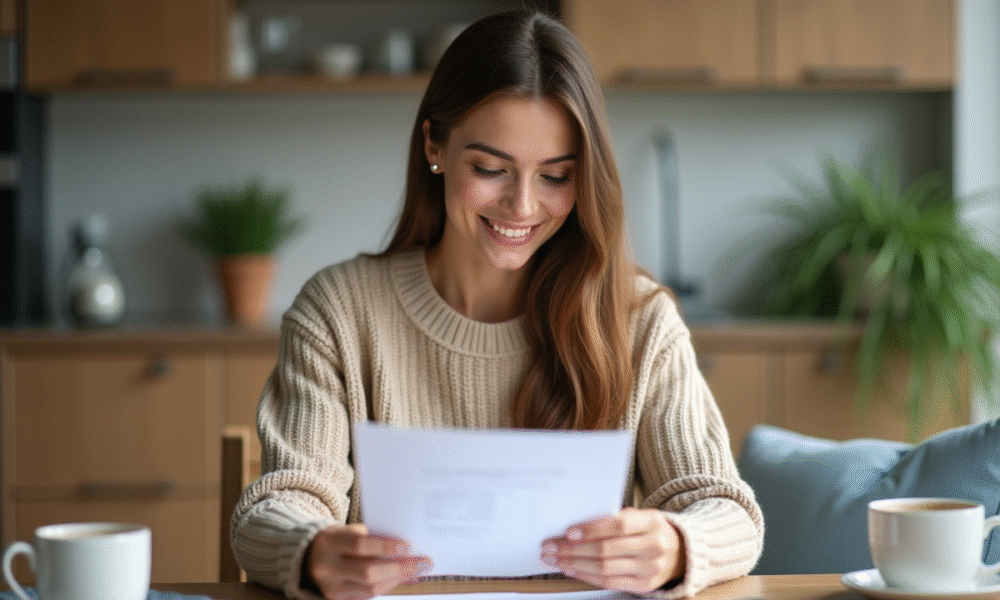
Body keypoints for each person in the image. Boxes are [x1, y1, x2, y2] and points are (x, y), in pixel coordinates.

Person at [231, 10, 763, 600]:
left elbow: (728, 512)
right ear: (434, 144)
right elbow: (273, 509)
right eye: (491, 169)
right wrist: (312, 552)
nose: (522, 206)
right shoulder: (338, 312)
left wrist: (676, 545)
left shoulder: (639, 319)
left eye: (557, 177)